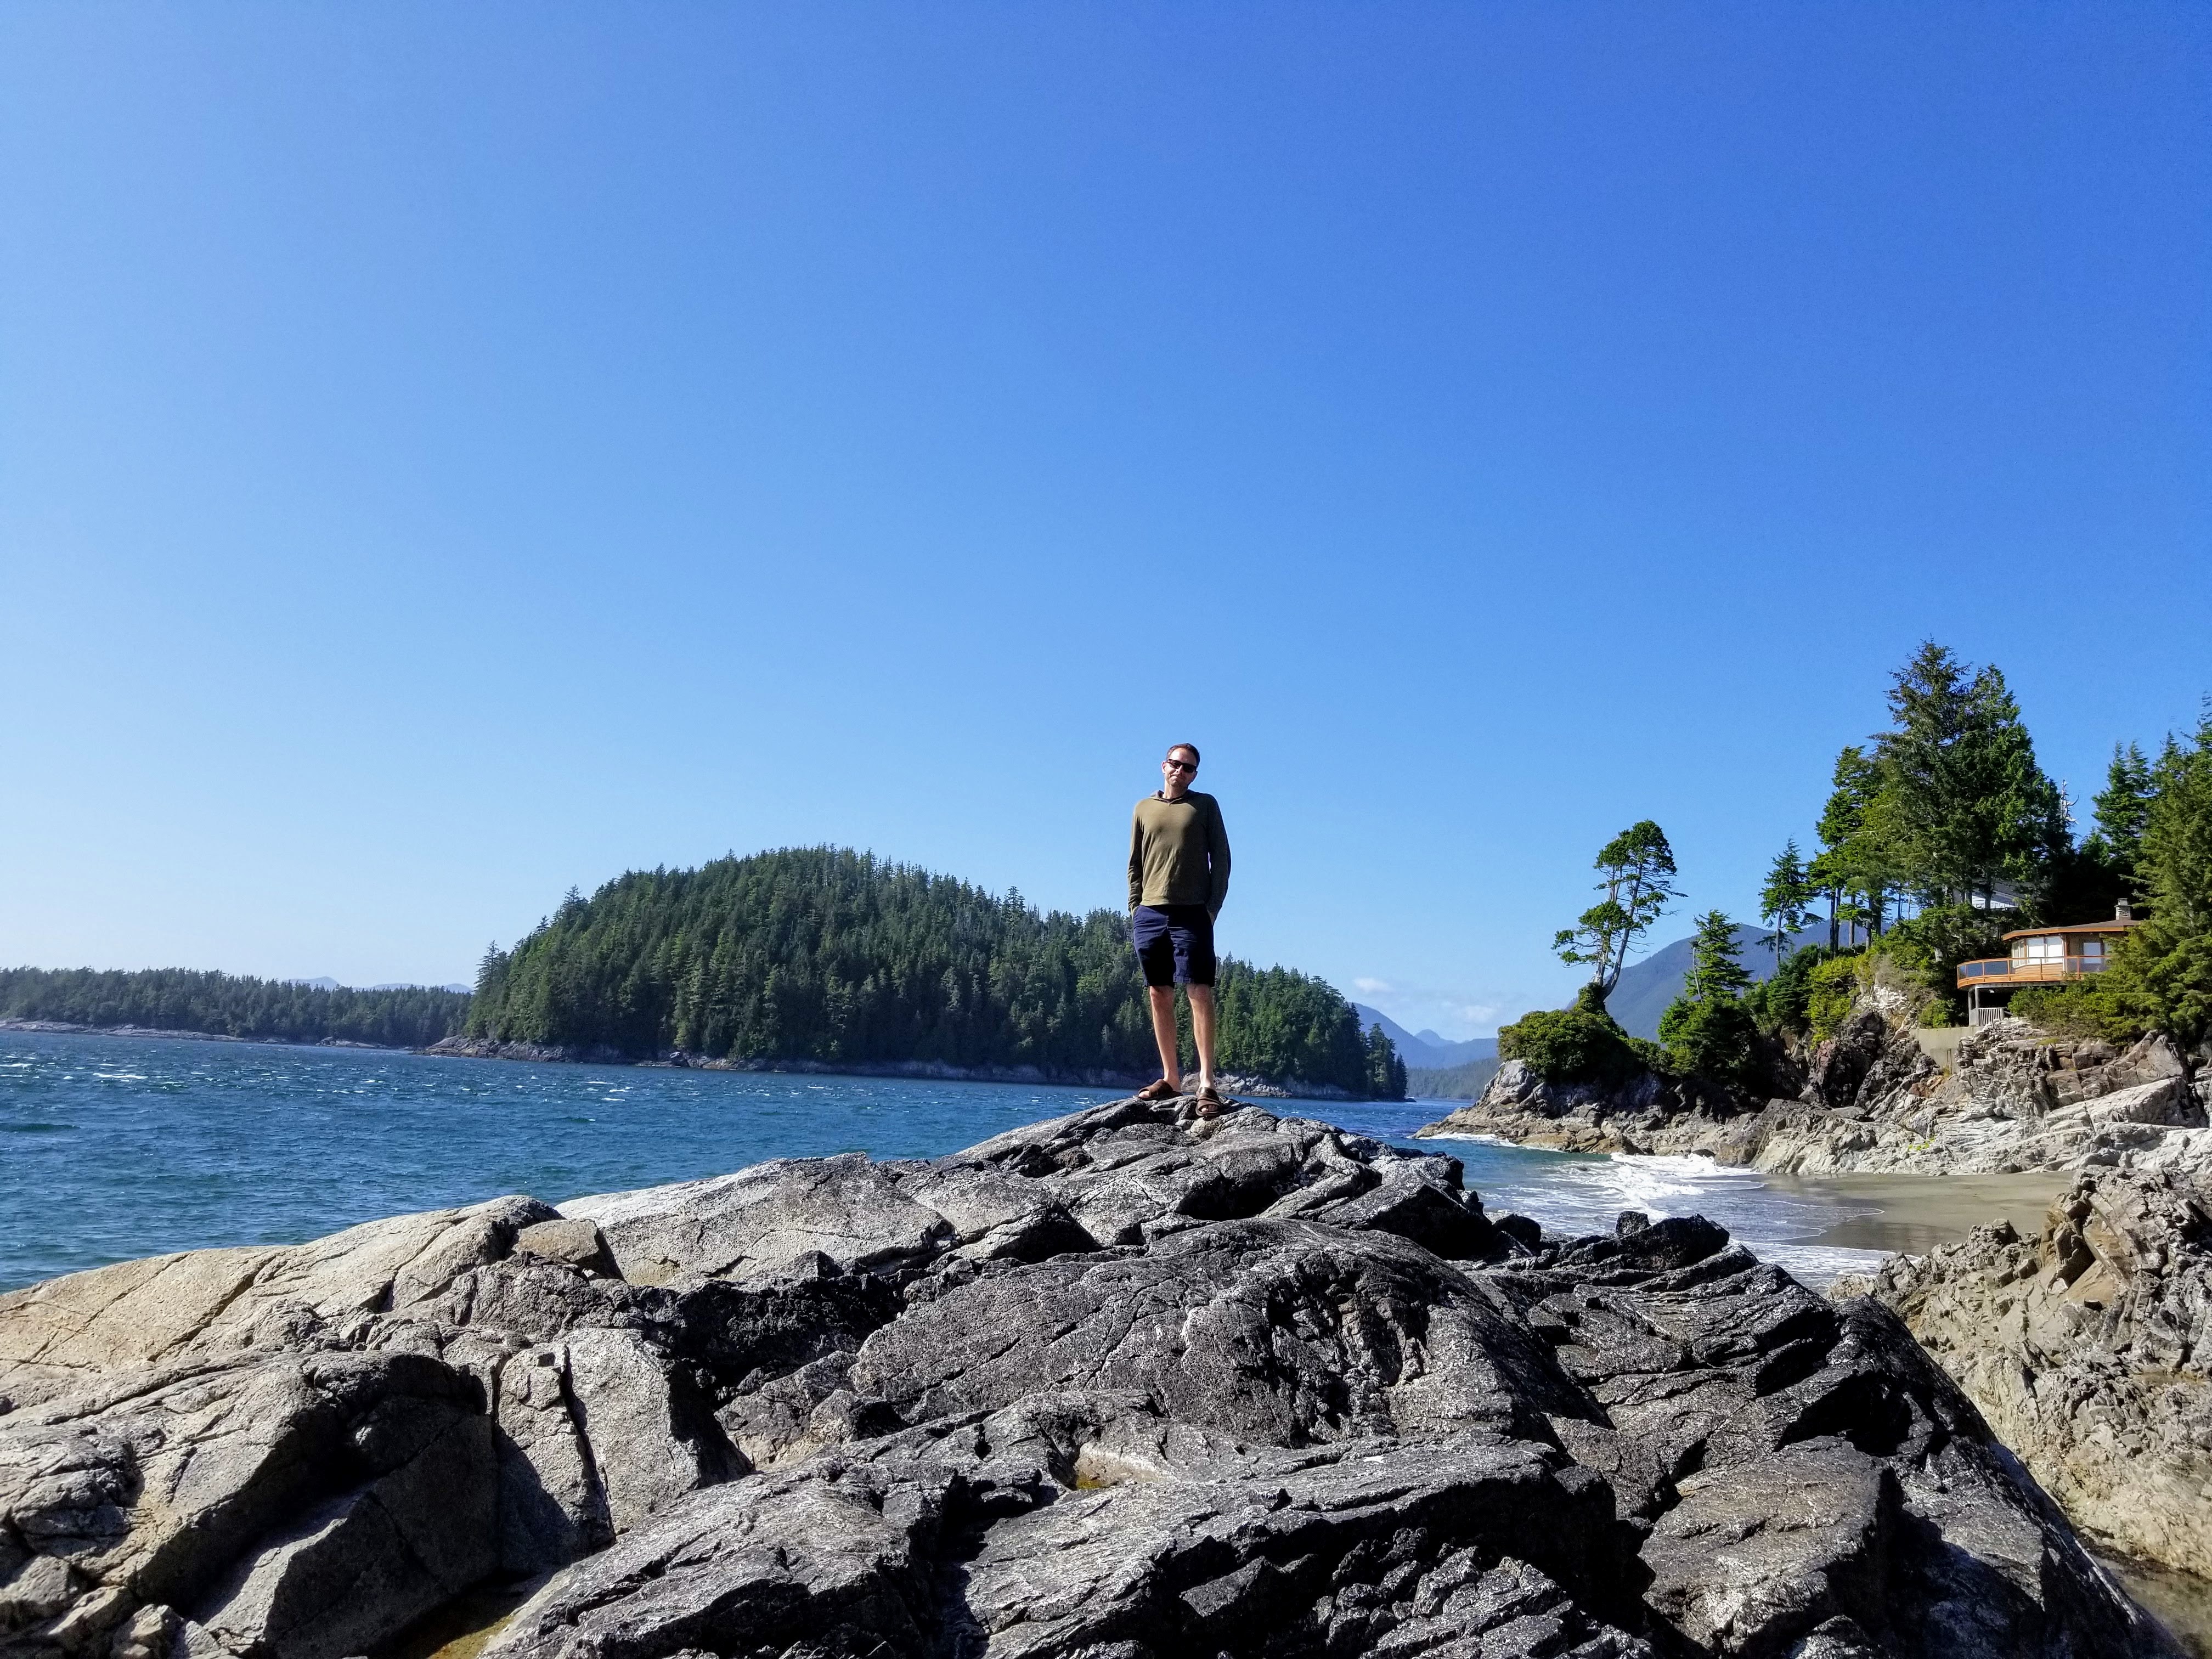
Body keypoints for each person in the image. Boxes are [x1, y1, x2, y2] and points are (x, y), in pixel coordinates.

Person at [1127, 742, 1232, 1115]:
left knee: (1200, 992)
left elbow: (1221, 858)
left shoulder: (1205, 806)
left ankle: (1206, 1084)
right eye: (1176, 764)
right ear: (1163, 766)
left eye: (1188, 768)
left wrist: (1212, 909)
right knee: (1159, 993)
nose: (1180, 772)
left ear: (1195, 775)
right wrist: (1135, 908)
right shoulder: (1143, 808)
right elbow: (1134, 863)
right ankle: (1170, 1079)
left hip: (1193, 914)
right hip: (1150, 913)